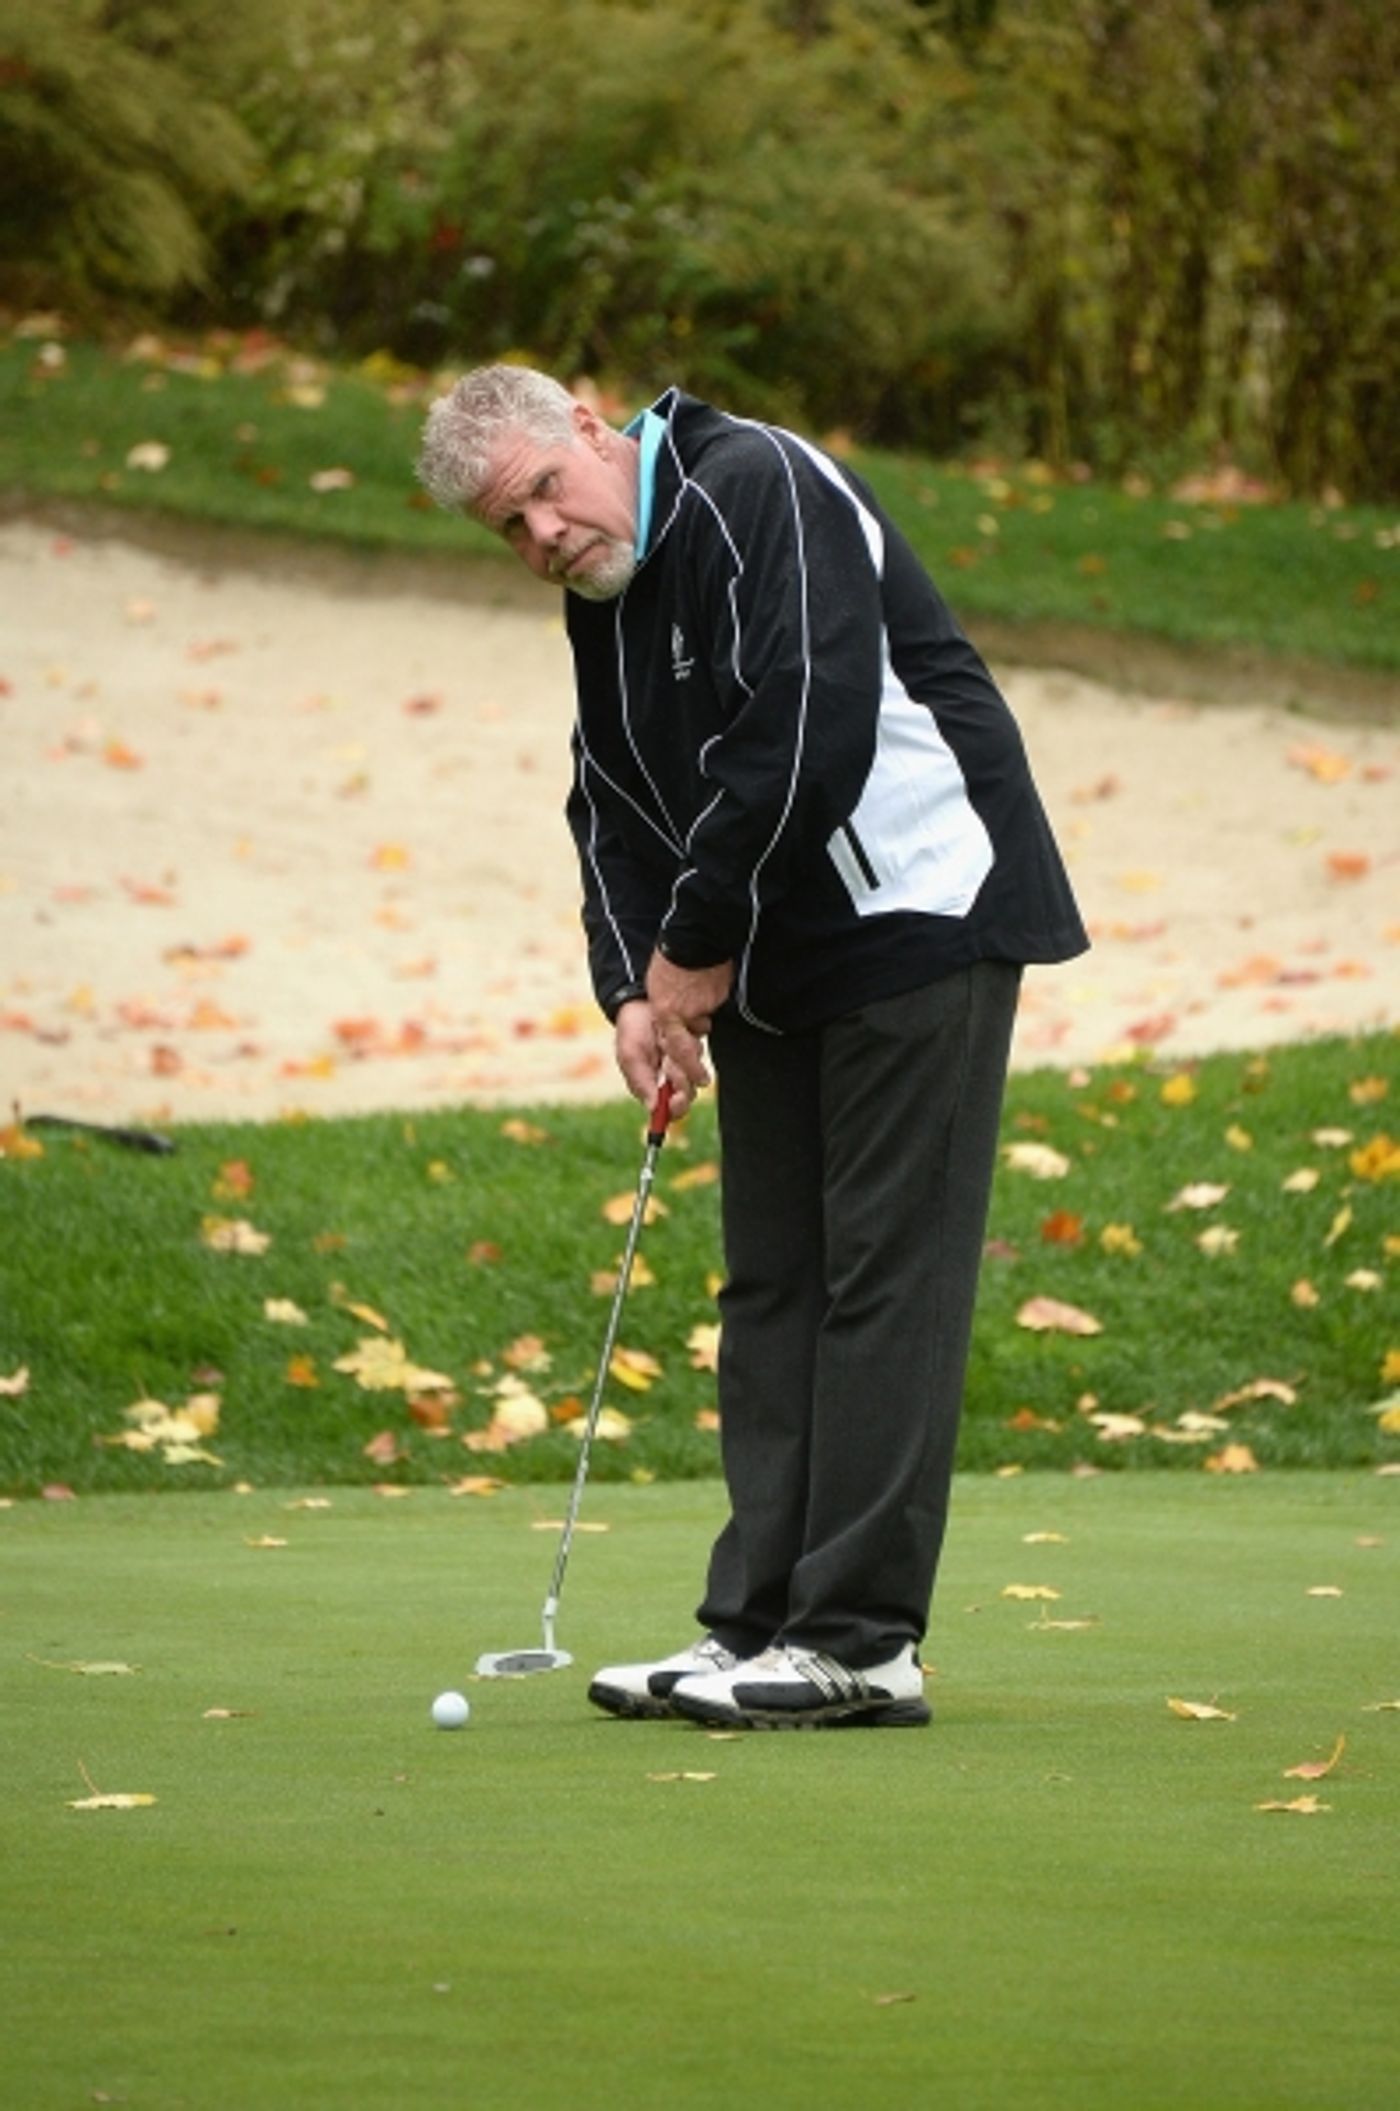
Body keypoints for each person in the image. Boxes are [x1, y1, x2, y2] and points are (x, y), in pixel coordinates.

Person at [419, 367, 1088, 1730]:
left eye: (544, 492)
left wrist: (694, 946)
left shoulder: (755, 487)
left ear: (592, 431)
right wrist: (632, 991)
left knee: (881, 1277)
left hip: (923, 911)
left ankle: (862, 1641)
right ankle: (757, 1627)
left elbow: (803, 726)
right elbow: (607, 790)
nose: (542, 535)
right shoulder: (601, 593)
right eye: (510, 528)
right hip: (776, 950)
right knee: (772, 1280)